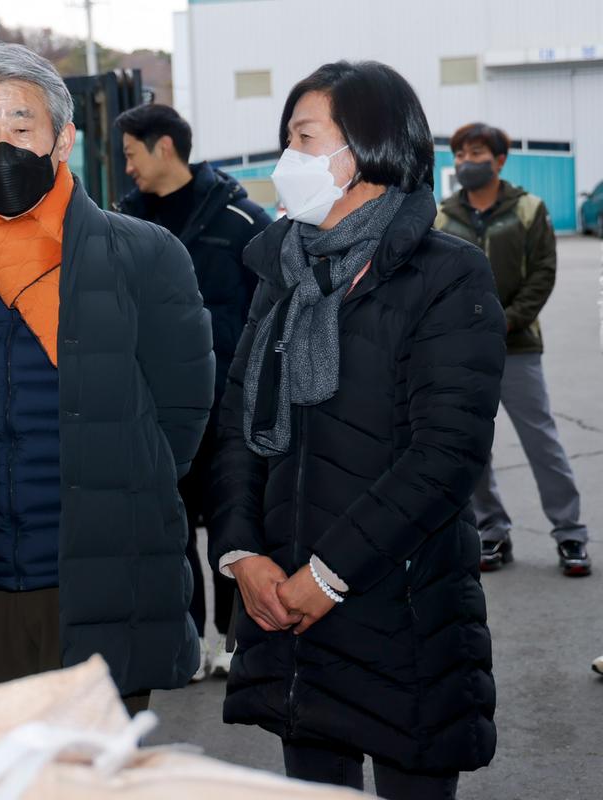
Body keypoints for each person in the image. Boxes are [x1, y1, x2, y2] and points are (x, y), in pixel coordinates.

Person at [208, 61, 504, 798]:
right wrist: (243, 551)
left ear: (366, 148)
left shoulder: (447, 277)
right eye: (288, 140)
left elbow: (447, 454)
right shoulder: (283, 272)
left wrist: (329, 574)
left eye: (305, 138)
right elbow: (239, 423)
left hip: (400, 610)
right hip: (288, 612)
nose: (288, 161)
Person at [0, 44, 214, 715]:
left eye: (21, 126)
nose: (0, 145)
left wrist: (117, 486)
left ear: (62, 140)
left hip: (100, 581)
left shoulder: (146, 256)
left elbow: (181, 416)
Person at [115, 103, 270, 680]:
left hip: (229, 408)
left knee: (233, 526)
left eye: (131, 152)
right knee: (167, 531)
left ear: (163, 148)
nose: (126, 166)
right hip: (154, 410)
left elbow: (272, 314)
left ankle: (235, 642)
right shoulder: (121, 224)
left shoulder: (241, 220)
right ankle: (184, 643)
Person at [435, 122, 591, 576]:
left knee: (541, 441)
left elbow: (543, 271)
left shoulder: (528, 209)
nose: (466, 162)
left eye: (477, 153)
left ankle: (570, 535)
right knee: (474, 447)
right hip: (464, 352)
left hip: (519, 346)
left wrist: (507, 320)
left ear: (500, 160)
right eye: (460, 154)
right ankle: (492, 531)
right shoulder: (445, 216)